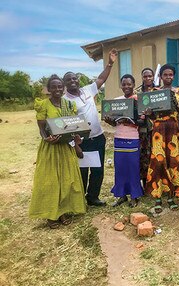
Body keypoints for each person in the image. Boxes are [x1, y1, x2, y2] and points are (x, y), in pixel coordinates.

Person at [29, 74, 86, 228]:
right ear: (49, 89)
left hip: (66, 147)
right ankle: (51, 215)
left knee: (67, 180)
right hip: (51, 149)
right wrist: (46, 138)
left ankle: (64, 211)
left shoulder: (69, 105)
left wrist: (77, 140)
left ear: (63, 88)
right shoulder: (43, 105)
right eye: (53, 87)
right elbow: (41, 128)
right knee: (51, 182)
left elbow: (74, 126)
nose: (57, 89)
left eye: (60, 87)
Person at [63, 48, 118, 206]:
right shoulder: (65, 101)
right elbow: (66, 127)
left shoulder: (87, 90)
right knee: (82, 171)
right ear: (65, 83)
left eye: (75, 78)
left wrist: (109, 64)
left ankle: (93, 197)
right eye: (69, 80)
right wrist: (74, 146)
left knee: (98, 170)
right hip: (81, 141)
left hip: (98, 137)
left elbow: (101, 79)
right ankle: (79, 200)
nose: (73, 81)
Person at [144, 64, 179, 213]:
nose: (168, 77)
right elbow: (149, 115)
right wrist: (148, 113)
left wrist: (176, 105)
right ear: (161, 77)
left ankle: (171, 196)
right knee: (158, 161)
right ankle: (157, 196)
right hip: (158, 130)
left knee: (173, 161)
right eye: (165, 75)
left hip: (173, 129)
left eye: (171, 75)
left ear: (173, 76)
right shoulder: (153, 93)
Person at [104, 74, 144, 207]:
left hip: (133, 138)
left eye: (129, 84)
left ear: (133, 85)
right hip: (119, 138)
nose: (126, 86)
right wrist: (109, 120)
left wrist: (128, 120)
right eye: (124, 84)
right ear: (121, 86)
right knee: (120, 168)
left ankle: (134, 196)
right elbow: (115, 123)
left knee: (133, 168)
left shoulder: (138, 100)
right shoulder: (117, 101)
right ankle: (122, 196)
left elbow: (142, 122)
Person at [136, 68, 156, 187]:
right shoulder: (137, 92)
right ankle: (144, 184)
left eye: (150, 76)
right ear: (142, 77)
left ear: (153, 77)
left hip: (155, 129)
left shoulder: (158, 91)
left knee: (154, 156)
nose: (148, 78)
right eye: (145, 76)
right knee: (143, 157)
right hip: (141, 130)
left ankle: (154, 184)